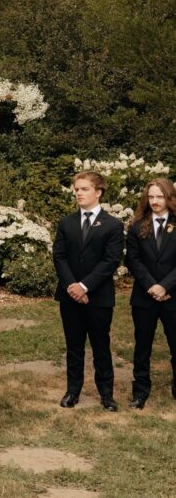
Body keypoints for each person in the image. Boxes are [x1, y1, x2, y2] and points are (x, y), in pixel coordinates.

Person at [52, 170, 124, 411]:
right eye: (77, 189)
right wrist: (72, 286)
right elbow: (59, 257)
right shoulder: (66, 223)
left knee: (100, 345)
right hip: (69, 295)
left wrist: (84, 286)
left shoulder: (113, 225)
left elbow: (111, 260)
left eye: (84, 189)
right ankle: (73, 391)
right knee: (74, 345)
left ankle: (106, 394)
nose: (79, 193)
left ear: (98, 192)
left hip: (98, 297)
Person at [125, 178, 176, 409]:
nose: (155, 201)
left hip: (173, 296)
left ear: (169, 197)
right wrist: (152, 286)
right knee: (142, 346)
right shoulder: (137, 226)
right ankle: (140, 392)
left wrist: (165, 286)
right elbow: (133, 261)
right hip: (144, 297)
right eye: (151, 197)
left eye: (160, 196)